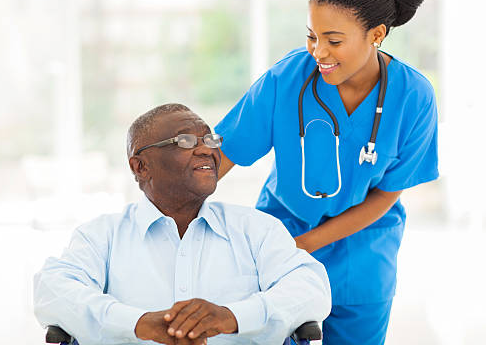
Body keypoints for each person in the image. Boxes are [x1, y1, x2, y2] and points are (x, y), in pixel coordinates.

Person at [215, 0, 438, 344]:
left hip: (363, 254)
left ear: (377, 34)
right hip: (281, 244)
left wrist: (307, 245)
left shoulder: (413, 97)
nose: (319, 52)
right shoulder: (285, 80)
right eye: (311, 36)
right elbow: (222, 156)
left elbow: (386, 194)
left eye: (334, 41)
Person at [33, 103, 331, 345]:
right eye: (186, 141)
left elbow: (311, 288)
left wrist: (230, 317)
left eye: (210, 139)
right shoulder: (101, 235)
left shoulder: (256, 229)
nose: (206, 150)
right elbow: (53, 290)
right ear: (140, 166)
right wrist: (139, 324)